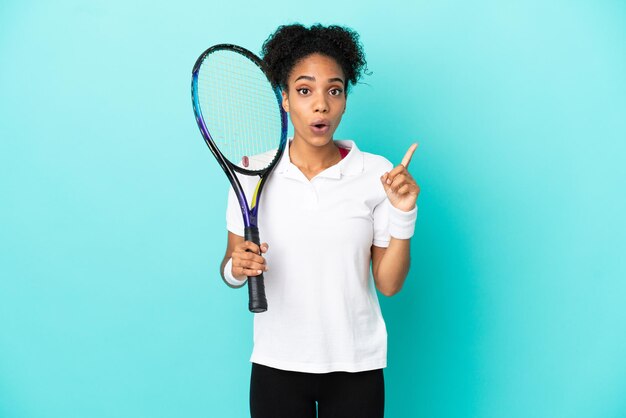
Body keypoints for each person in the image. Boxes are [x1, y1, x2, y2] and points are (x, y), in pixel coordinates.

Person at [220, 23, 420, 418]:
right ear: (284, 99)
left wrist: (404, 211)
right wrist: (236, 268)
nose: (321, 105)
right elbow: (230, 266)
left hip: (356, 366)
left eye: (335, 90)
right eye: (305, 90)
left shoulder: (375, 173)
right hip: (276, 365)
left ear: (345, 100)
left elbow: (390, 284)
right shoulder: (250, 173)